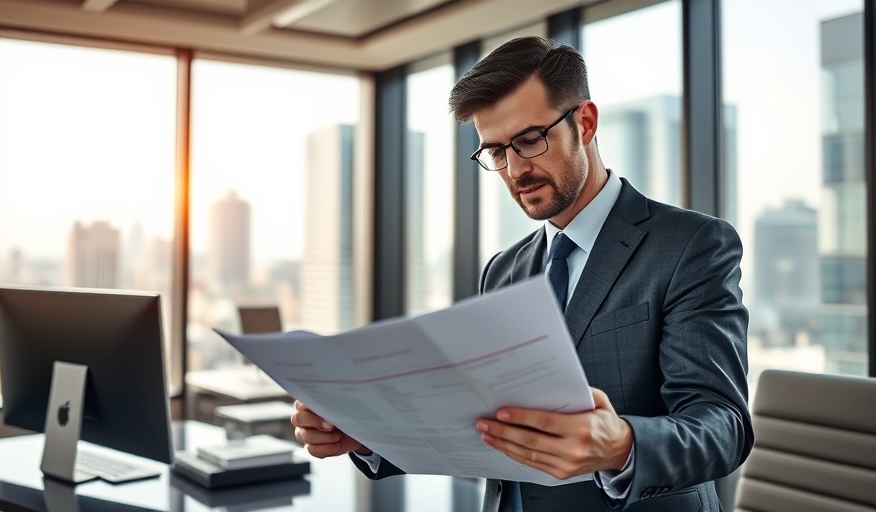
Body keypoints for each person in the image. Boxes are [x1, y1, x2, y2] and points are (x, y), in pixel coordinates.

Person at [292, 36, 753, 511]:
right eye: (495, 152)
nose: (515, 169)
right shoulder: (503, 270)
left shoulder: (691, 245)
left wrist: (621, 444)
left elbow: (723, 425)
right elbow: (472, 423)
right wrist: (365, 430)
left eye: (530, 140)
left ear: (585, 123)